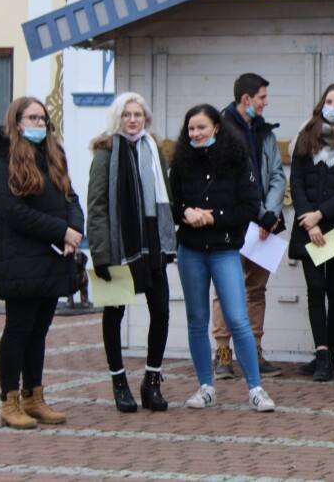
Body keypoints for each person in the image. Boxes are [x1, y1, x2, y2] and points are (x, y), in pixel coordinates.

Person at [169, 104, 276, 412]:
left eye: (201, 127)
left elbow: (248, 207)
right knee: (197, 320)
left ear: (216, 127)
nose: (195, 133)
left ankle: (256, 388)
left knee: (238, 318)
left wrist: (213, 218)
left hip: (225, 249)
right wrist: (186, 212)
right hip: (190, 251)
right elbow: (173, 203)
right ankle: (206, 386)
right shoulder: (180, 161)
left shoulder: (237, 160)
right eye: (191, 128)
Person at [0, 97, 84, 429]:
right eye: (32, 118)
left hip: (50, 258)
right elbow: (14, 211)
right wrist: (62, 231)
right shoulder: (4, 160)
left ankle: (34, 396)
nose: (40, 125)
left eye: (43, 119)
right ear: (17, 123)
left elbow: (71, 197)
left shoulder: (54, 156)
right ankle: (9, 400)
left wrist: (75, 230)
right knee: (18, 329)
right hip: (19, 260)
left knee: (39, 331)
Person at [87, 93, 176, 413]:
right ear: (117, 118)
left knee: (162, 311)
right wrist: (99, 254)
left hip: (152, 241)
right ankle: (119, 382)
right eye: (127, 114)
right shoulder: (105, 152)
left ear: (146, 118)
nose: (133, 119)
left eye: (138, 114)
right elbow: (96, 206)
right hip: (116, 244)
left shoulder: (154, 151)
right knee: (114, 313)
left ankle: (151, 381)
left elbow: (166, 195)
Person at [213, 73, 287, 380]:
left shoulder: (265, 132)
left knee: (256, 290)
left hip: (263, 228)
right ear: (246, 99)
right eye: (262, 97)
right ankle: (223, 355)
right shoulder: (221, 130)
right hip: (234, 224)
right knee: (224, 291)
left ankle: (254, 353)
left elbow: (277, 176)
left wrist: (269, 215)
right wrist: (260, 215)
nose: (266, 102)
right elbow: (232, 182)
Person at [289, 83, 334, 382]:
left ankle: (331, 356)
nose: (332, 105)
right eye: (328, 100)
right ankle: (321, 354)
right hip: (308, 226)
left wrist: (322, 214)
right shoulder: (307, 134)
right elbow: (297, 180)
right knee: (315, 289)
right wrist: (310, 220)